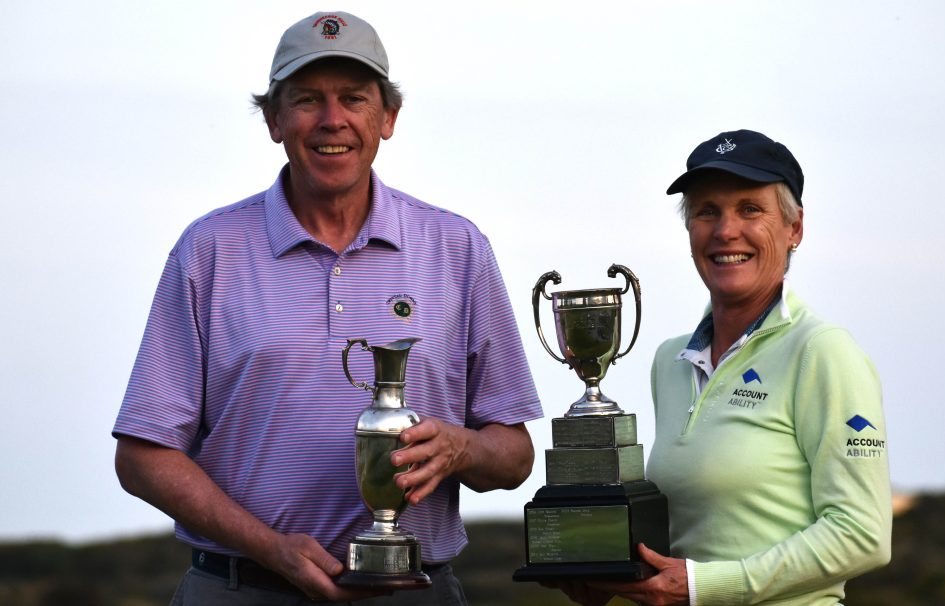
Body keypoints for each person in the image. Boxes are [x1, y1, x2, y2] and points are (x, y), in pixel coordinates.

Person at [112, 11, 542, 605]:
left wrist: (461, 448)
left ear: (387, 117)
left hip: (414, 590)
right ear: (274, 119)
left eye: (354, 98)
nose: (332, 120)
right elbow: (142, 455)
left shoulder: (456, 247)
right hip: (241, 588)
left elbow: (514, 453)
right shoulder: (208, 249)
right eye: (307, 99)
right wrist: (270, 547)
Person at [562, 130, 892, 605]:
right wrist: (605, 569)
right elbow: (689, 541)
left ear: (794, 228)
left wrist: (703, 588)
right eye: (706, 211)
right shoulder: (670, 361)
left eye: (750, 209)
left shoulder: (822, 351)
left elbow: (862, 534)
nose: (725, 231)